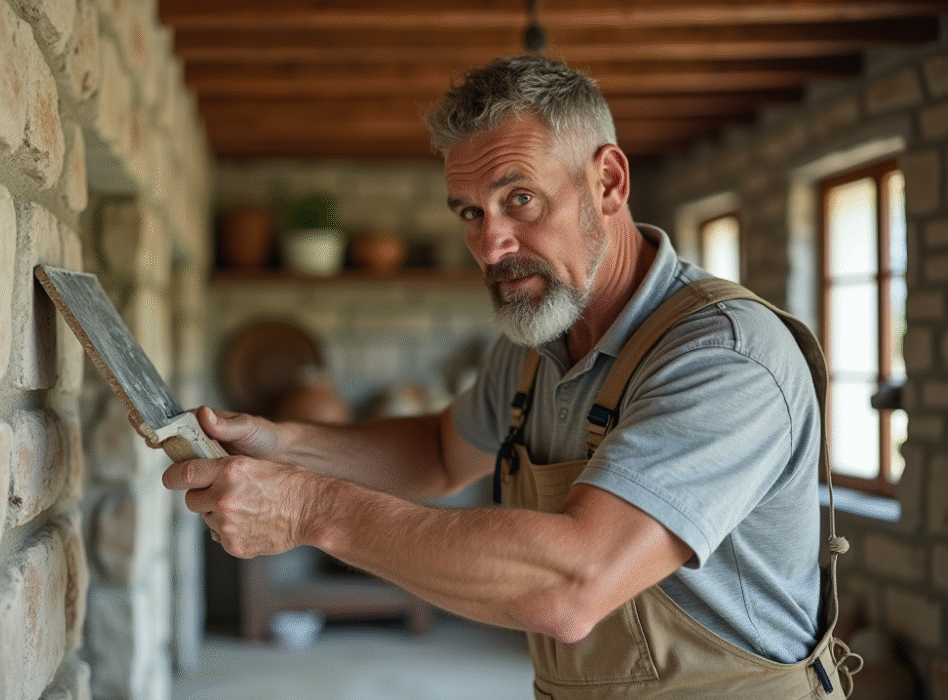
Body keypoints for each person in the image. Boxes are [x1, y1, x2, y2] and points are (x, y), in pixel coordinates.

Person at [152, 55, 858, 698]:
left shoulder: (724, 355)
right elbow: (437, 454)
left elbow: (573, 587)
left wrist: (312, 510)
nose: (491, 246)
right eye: (470, 212)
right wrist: (280, 445)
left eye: (518, 198)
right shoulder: (535, 340)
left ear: (607, 181)